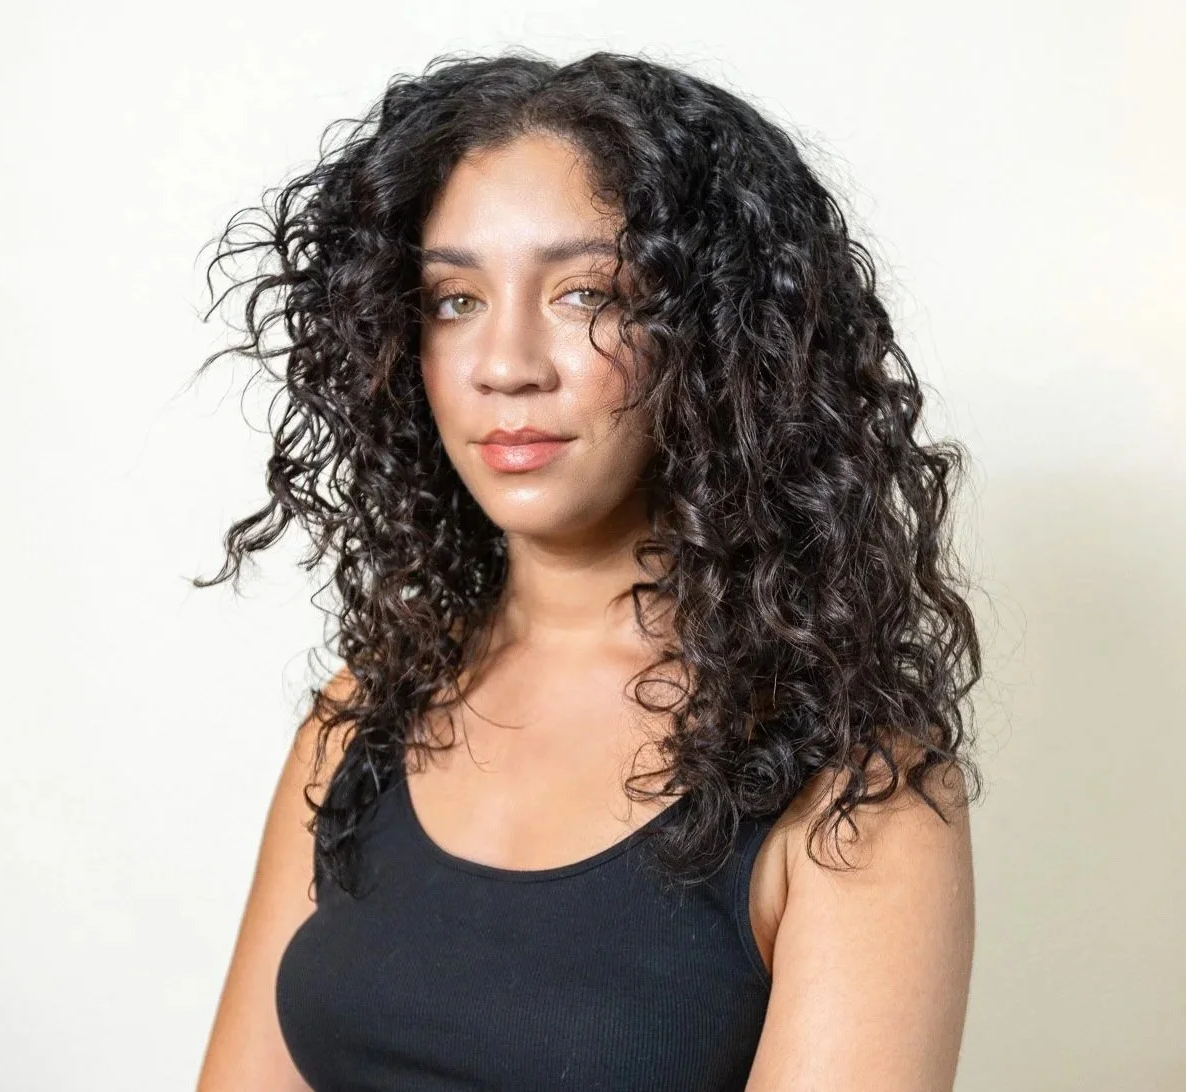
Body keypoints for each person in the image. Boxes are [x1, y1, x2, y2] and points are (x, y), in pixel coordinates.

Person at [192, 48, 981, 1092]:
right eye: (454, 299)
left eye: (585, 294)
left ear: (715, 335)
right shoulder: (360, 718)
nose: (506, 364)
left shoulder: (853, 788)